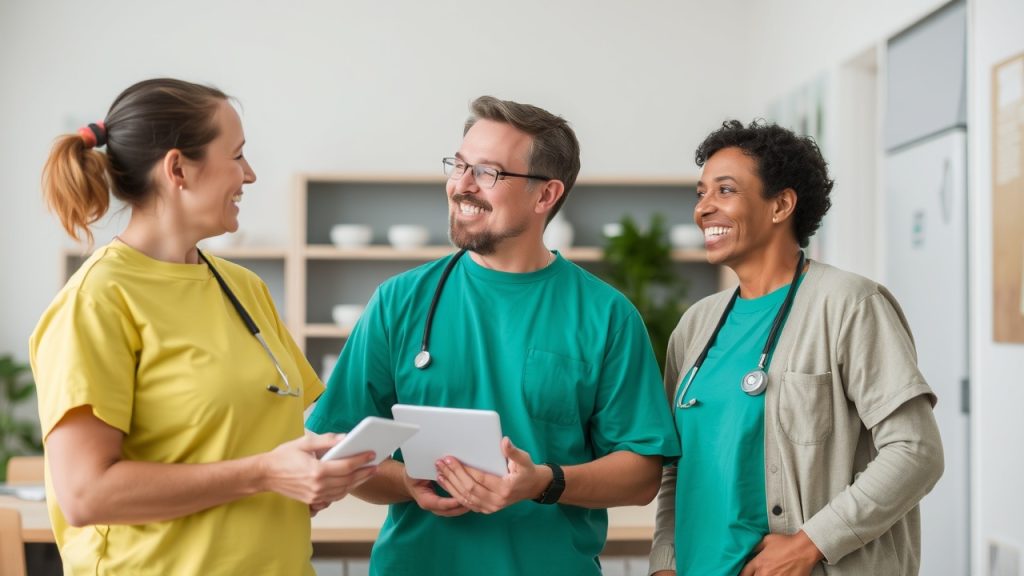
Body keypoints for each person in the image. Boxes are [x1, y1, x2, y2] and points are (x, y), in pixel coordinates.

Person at [306, 95, 681, 575]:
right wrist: (409, 482)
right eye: (458, 165)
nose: (460, 185)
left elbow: (640, 475)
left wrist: (542, 482)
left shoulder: (607, 315)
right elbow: (342, 450)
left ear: (546, 195)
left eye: (487, 173)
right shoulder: (399, 303)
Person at [30, 78, 376, 575]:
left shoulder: (243, 287)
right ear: (178, 169)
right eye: (236, 155)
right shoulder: (97, 301)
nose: (250, 175)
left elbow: (270, 438)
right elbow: (87, 494)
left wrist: (313, 476)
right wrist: (265, 474)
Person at [649, 120, 945, 576]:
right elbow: (677, 468)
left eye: (724, 191)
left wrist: (810, 544)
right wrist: (665, 562)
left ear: (781, 204)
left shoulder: (849, 305)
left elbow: (915, 451)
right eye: (700, 193)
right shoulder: (696, 325)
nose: (704, 208)